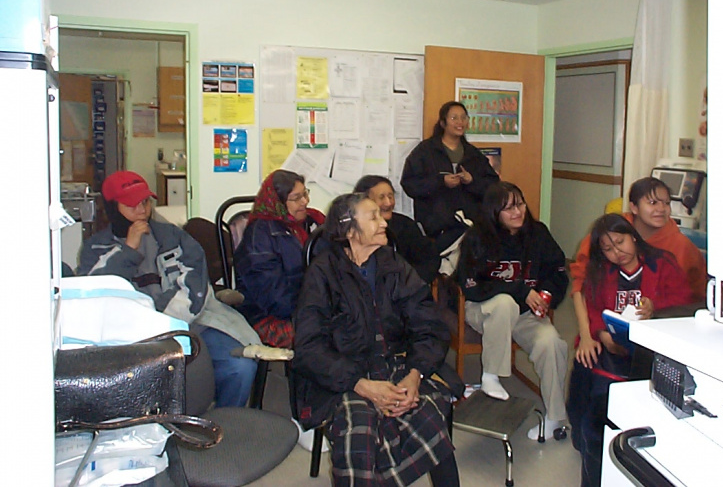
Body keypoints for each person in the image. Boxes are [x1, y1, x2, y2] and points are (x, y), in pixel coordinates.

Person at [292, 193, 460, 487]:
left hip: (396, 366)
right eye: (373, 217)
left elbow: (430, 326)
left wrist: (415, 375)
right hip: (343, 377)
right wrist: (360, 384)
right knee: (359, 426)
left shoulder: (394, 265)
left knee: (430, 414)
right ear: (348, 230)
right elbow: (309, 347)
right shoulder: (322, 273)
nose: (384, 222)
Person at [78, 170, 260, 407]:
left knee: (240, 367)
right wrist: (128, 251)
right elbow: (97, 295)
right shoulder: (96, 247)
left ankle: (226, 428)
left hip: (190, 323)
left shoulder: (173, 236)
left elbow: (194, 288)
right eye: (132, 205)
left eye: (145, 202)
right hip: (129, 336)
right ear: (113, 208)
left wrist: (159, 318)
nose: (142, 210)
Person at [567, 213, 691, 487]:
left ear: (633, 237)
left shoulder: (662, 263)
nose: (617, 253)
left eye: (620, 242)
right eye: (608, 249)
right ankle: (590, 456)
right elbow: (593, 308)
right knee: (594, 410)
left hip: (652, 352)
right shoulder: (602, 272)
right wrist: (600, 333)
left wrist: (654, 309)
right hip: (613, 349)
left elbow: (684, 307)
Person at [455, 181, 569, 440]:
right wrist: (520, 291)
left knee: (552, 344)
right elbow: (472, 286)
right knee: (505, 303)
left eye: (519, 204)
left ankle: (554, 417)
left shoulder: (538, 233)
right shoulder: (477, 237)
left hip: (524, 314)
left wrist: (546, 296)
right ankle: (490, 376)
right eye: (507, 208)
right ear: (494, 213)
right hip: (484, 309)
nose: (517, 212)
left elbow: (558, 271)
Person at [569, 177, 706, 369]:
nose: (661, 209)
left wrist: (656, 307)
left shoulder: (679, 248)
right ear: (634, 207)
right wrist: (589, 335)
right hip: (605, 328)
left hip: (661, 330)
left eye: (666, 203)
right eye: (652, 202)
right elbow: (582, 288)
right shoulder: (609, 234)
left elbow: (692, 301)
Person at [234, 169, 324, 348]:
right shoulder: (259, 236)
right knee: (329, 334)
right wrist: (315, 310)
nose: (305, 201)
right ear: (278, 202)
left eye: (305, 194)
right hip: (267, 315)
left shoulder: (311, 224)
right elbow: (275, 298)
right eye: (296, 198)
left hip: (306, 307)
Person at [401, 101, 499, 254]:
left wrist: (471, 181)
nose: (460, 122)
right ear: (443, 123)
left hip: (469, 227)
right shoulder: (425, 151)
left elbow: (493, 185)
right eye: (454, 118)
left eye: (463, 118)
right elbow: (410, 184)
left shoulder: (473, 154)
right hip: (436, 228)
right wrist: (441, 182)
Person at [353, 174, 440, 285]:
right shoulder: (354, 228)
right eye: (381, 197)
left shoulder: (405, 225)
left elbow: (429, 259)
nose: (388, 203)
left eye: (390, 196)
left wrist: (410, 283)